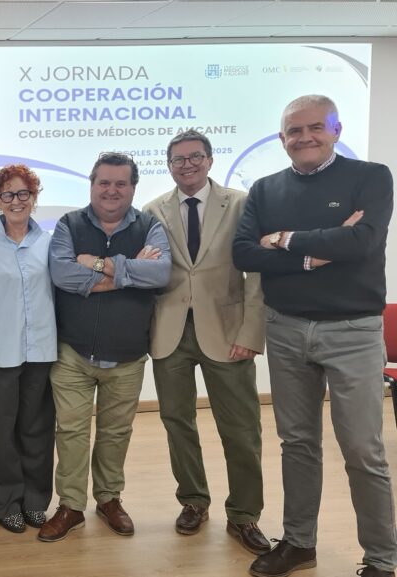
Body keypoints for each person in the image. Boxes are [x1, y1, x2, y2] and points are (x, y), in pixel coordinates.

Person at [234, 94, 397, 577]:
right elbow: (244, 253)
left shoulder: (371, 176)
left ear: (336, 130)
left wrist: (283, 240)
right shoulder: (265, 189)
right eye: (294, 130)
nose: (304, 137)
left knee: (363, 450)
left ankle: (382, 559)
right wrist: (317, 253)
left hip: (354, 331)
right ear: (281, 137)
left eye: (315, 128)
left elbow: (363, 241)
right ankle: (299, 542)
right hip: (285, 328)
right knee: (298, 443)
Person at [143, 130, 270, 555]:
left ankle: (244, 513)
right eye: (178, 159)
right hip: (170, 333)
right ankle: (193, 500)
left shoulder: (241, 203)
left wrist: (251, 333)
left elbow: (256, 273)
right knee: (177, 422)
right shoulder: (152, 210)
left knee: (241, 428)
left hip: (228, 333)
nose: (187, 165)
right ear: (169, 165)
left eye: (195, 156)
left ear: (210, 160)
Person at [41, 152, 171, 542]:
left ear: (133, 188)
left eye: (120, 183)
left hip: (128, 355)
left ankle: (109, 499)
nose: (111, 191)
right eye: (104, 183)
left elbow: (160, 273)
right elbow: (63, 274)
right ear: (92, 184)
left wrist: (96, 264)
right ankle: (70, 506)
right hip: (72, 352)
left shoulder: (150, 226)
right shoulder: (69, 224)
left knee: (116, 434)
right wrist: (130, 269)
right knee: (71, 432)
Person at [0, 164, 56, 533]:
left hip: (42, 352)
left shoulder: (50, 243)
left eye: (23, 194)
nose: (16, 201)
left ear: (34, 198)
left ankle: (35, 501)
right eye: (7, 194)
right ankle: (5, 502)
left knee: (37, 430)